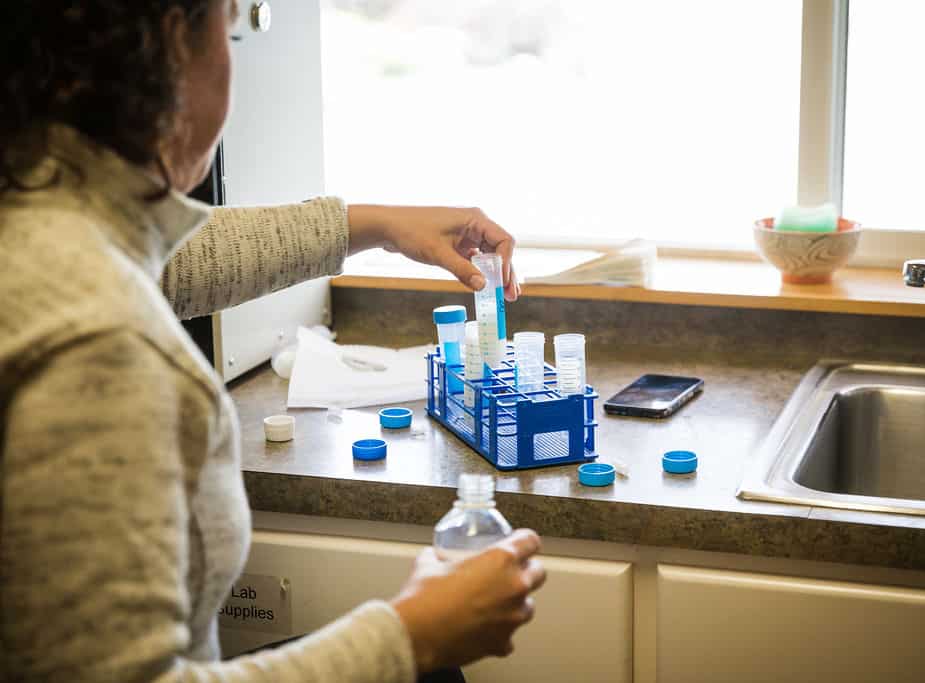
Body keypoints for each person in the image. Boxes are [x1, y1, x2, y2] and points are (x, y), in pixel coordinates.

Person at [0, 1, 544, 681]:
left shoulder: (34, 210)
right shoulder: (100, 341)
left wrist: (375, 224)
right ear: (169, 46)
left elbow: (171, 260)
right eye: (228, 32)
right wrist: (412, 636)